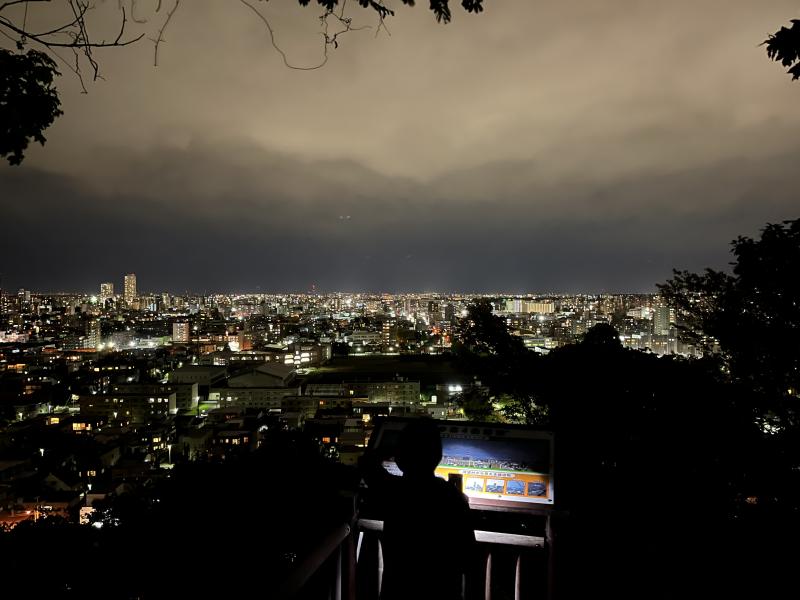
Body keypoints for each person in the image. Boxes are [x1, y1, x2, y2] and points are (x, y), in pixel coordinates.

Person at [362, 419, 476, 600]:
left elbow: (367, 464)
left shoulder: (394, 491)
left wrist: (390, 449)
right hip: (443, 590)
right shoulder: (452, 496)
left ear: (400, 457)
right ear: (437, 456)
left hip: (399, 588)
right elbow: (468, 557)